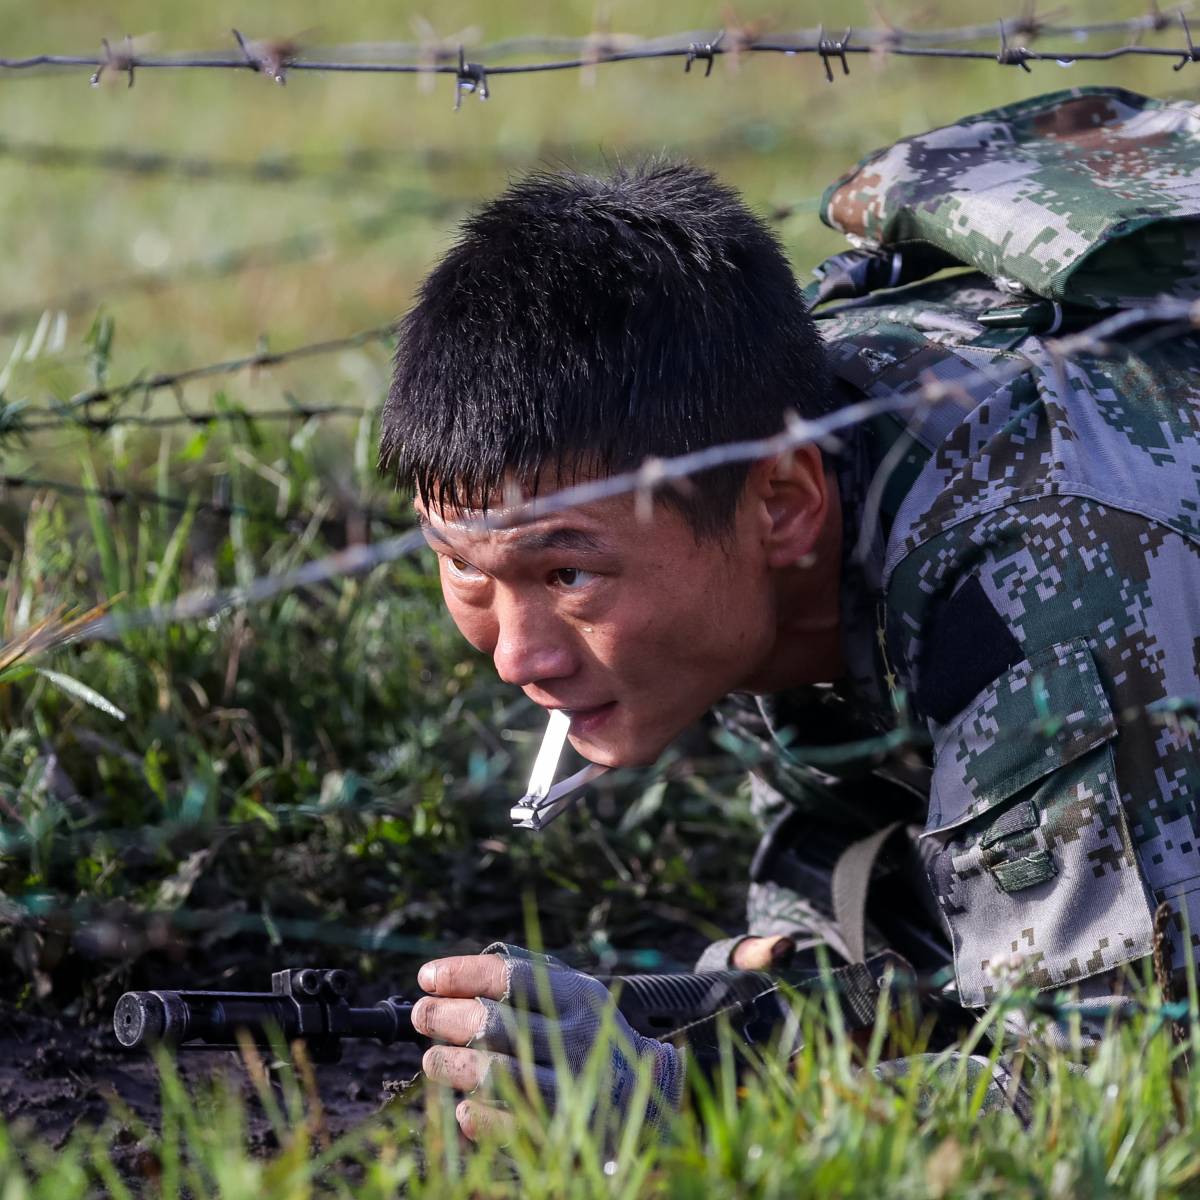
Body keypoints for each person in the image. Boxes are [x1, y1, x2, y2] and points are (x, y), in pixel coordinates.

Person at [379, 87, 1200, 1140]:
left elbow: (1127, 1096)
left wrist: (684, 1105)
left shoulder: (1038, 577)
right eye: (464, 570)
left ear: (784, 505)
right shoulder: (728, 445)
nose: (517, 654)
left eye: (567, 576)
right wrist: (762, 1011)